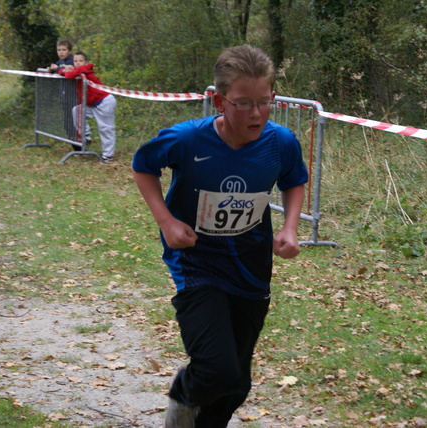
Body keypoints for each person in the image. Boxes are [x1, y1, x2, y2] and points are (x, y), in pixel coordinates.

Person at [131, 44, 308, 428]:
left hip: (250, 264)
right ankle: (184, 394)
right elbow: (143, 166)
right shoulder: (187, 140)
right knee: (216, 369)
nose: (256, 113)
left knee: (236, 384)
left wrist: (290, 226)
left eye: (265, 102)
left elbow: (294, 181)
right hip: (197, 262)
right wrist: (166, 221)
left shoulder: (281, 142)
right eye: (243, 103)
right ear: (218, 101)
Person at [59, 51, 116, 162]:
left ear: (85, 62)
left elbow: (69, 75)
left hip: (104, 101)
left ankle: (108, 155)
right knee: (77, 111)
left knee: (105, 128)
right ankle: (85, 136)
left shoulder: (85, 69)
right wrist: (64, 70)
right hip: (91, 104)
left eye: (80, 61)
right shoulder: (77, 71)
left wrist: (67, 70)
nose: (78, 63)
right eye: (75, 61)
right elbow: (62, 72)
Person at [47, 39, 78, 145]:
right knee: (67, 119)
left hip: (73, 94)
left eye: (64, 50)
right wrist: (51, 70)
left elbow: (70, 70)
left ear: (69, 51)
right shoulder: (59, 62)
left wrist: (58, 69)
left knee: (74, 119)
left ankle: (78, 140)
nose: (61, 52)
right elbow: (57, 69)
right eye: (59, 50)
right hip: (64, 94)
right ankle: (71, 139)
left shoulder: (73, 60)